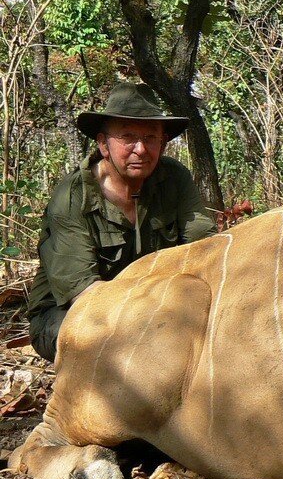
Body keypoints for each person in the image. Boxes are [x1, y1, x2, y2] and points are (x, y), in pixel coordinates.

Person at [25, 83, 217, 361]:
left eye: (151, 138)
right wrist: (156, 316)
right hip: (70, 314)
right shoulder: (72, 196)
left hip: (157, 309)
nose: (141, 149)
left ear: (163, 143)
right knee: (111, 346)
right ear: (103, 144)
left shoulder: (174, 179)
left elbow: (207, 250)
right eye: (128, 137)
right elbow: (83, 293)